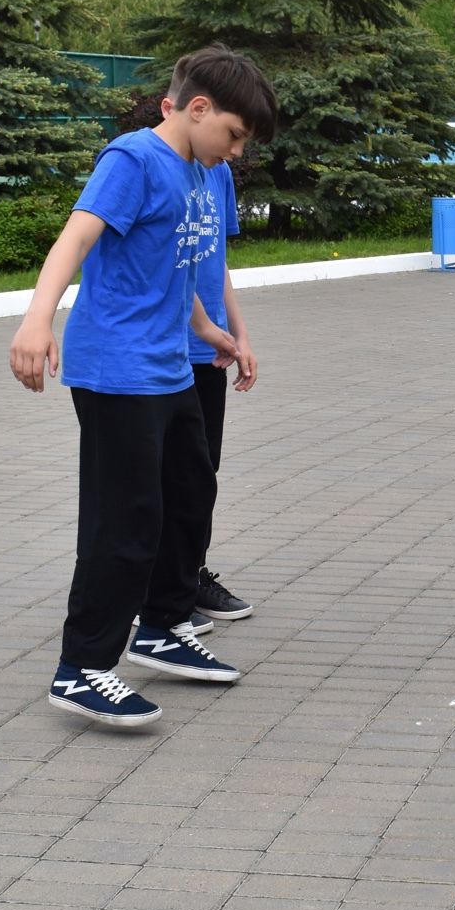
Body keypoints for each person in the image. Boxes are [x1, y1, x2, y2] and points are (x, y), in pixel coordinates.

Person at [9, 46, 278, 726]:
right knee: (124, 520)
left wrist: (211, 329)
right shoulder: (133, 159)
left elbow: (173, 268)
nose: (236, 152)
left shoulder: (195, 171)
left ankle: (161, 626)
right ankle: (82, 668)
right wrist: (38, 320)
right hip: (117, 370)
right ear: (198, 108)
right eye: (234, 135)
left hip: (168, 366)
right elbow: (74, 240)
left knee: (188, 494)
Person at [187, 155, 257, 627]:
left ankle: (189, 575)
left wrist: (239, 333)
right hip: (164, 350)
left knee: (201, 472)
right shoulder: (153, 165)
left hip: (209, 352)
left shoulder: (219, 172)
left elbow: (216, 262)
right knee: (161, 477)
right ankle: (150, 589)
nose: (235, 149)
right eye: (233, 134)